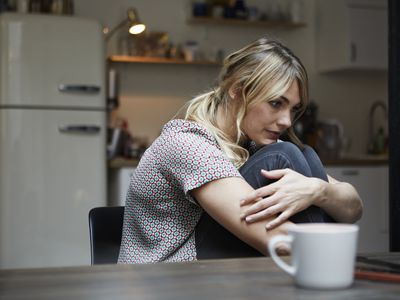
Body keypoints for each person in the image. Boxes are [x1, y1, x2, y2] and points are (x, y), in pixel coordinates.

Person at [118, 37, 363, 264]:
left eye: (293, 109)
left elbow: (354, 208)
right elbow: (278, 241)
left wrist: (318, 190)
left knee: (304, 154)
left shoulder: (254, 142)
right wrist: (333, 245)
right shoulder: (186, 144)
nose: (287, 121)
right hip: (165, 279)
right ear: (237, 89)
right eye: (276, 103)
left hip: (214, 275)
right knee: (285, 154)